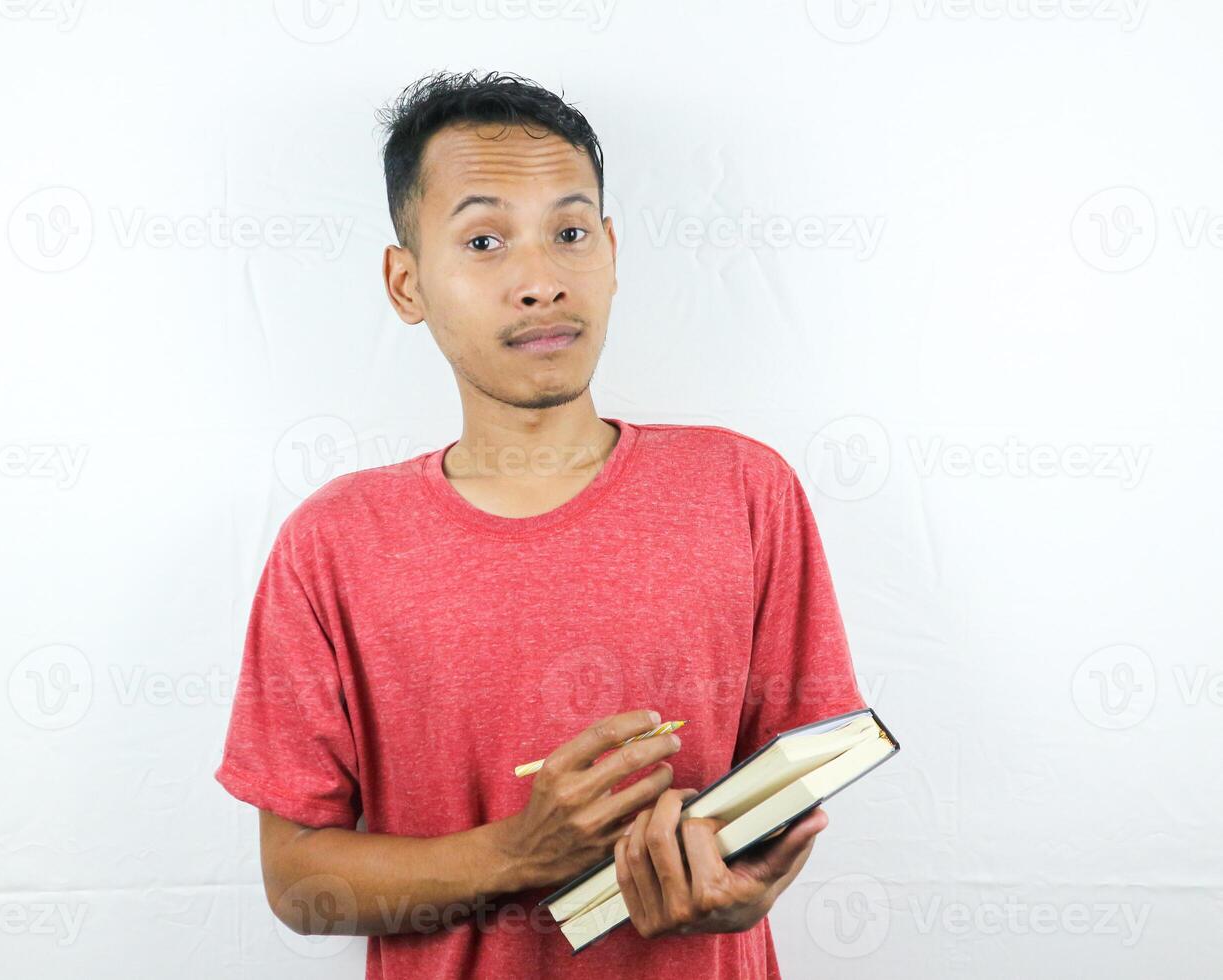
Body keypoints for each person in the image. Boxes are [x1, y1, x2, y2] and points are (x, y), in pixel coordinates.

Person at [214, 69, 868, 979]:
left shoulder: (743, 489)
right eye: (484, 240)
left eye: (568, 234)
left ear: (608, 251)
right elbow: (295, 879)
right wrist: (522, 850)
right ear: (406, 283)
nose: (539, 282)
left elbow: (796, 780)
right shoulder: (332, 544)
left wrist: (750, 884)